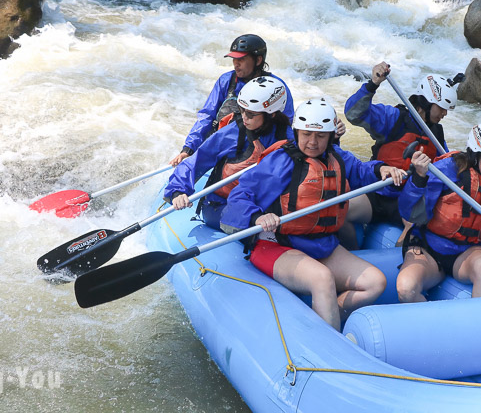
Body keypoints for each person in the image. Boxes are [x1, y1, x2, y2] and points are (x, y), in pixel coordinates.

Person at [221, 98, 408, 330]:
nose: (312, 142)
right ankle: (331, 340)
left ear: (330, 137)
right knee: (322, 279)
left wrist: (382, 168)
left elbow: (362, 170)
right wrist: (256, 218)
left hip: (321, 244)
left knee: (375, 282)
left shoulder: (337, 158)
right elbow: (240, 195)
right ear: (297, 132)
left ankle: (322, 322)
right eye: (307, 134)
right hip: (279, 245)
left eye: (320, 136)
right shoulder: (280, 162)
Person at [395, 123, 481, 302]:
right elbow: (411, 213)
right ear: (475, 156)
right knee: (406, 289)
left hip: (467, 255)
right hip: (429, 250)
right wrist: (418, 179)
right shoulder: (446, 170)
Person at [342, 63, 459, 245]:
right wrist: (373, 84)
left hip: (407, 201)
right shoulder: (394, 118)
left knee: (415, 231)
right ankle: (351, 255)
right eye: (441, 108)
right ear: (427, 102)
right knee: (339, 212)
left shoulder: (437, 136)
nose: (444, 113)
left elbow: (445, 169)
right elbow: (353, 114)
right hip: (377, 191)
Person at [164, 76, 293, 229]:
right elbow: (197, 161)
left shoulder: (289, 138)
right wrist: (178, 191)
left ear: (272, 114)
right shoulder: (234, 132)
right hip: (221, 207)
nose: (244, 117)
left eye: (251, 114)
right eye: (241, 109)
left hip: (263, 209)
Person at [170, 34, 295, 166]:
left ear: (258, 60)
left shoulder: (277, 88)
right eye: (234, 59)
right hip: (223, 144)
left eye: (241, 59)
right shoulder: (226, 81)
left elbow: (284, 124)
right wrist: (188, 149)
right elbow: (207, 116)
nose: (236, 64)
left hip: (260, 150)